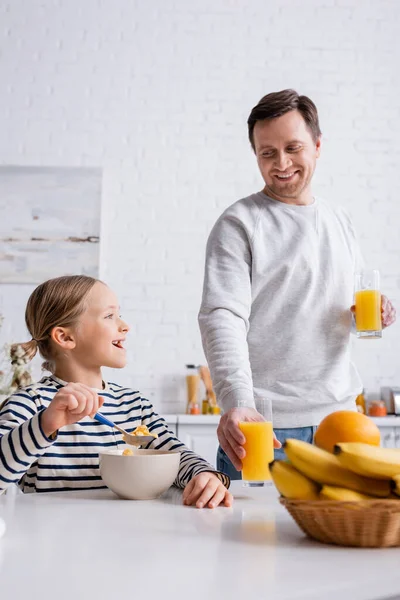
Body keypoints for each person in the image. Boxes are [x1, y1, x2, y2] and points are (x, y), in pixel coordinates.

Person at [198, 89, 396, 480]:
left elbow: (335, 312)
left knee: (341, 538)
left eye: (293, 147)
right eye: (267, 152)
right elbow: (222, 317)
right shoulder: (239, 223)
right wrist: (237, 402)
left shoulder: (340, 221)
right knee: (250, 540)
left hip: (341, 424)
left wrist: (368, 316)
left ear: (318, 146)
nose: (282, 163)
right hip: (262, 428)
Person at [0, 275, 232, 508]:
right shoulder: (31, 403)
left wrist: (205, 476)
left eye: (119, 314)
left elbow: (176, 455)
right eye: (110, 316)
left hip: (122, 537)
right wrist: (44, 424)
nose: (125, 325)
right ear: (66, 337)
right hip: (50, 539)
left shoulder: (133, 404)